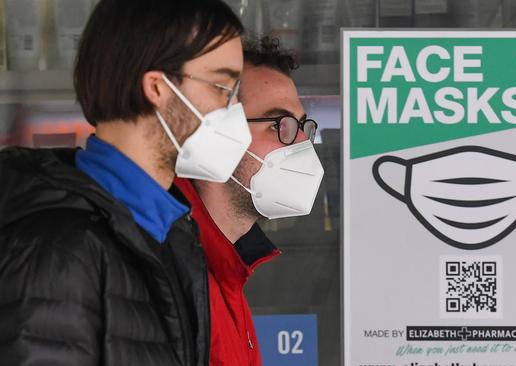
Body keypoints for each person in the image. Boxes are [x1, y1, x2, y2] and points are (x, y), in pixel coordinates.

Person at [0, 1, 249, 365]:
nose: (234, 109)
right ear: (157, 87)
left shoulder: (169, 233)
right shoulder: (58, 252)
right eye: (222, 87)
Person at [174, 36, 324, 366]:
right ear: (213, 134)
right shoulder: (171, 270)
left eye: (303, 127)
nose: (301, 144)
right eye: (278, 124)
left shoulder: (227, 270)